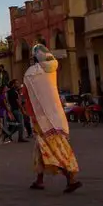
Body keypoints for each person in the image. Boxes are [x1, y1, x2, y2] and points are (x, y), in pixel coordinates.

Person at [25, 45, 82, 193]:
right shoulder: (52, 70)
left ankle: (71, 178)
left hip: (41, 118)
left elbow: (27, 96)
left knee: (53, 148)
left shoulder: (31, 74)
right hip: (57, 114)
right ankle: (39, 180)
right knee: (41, 147)